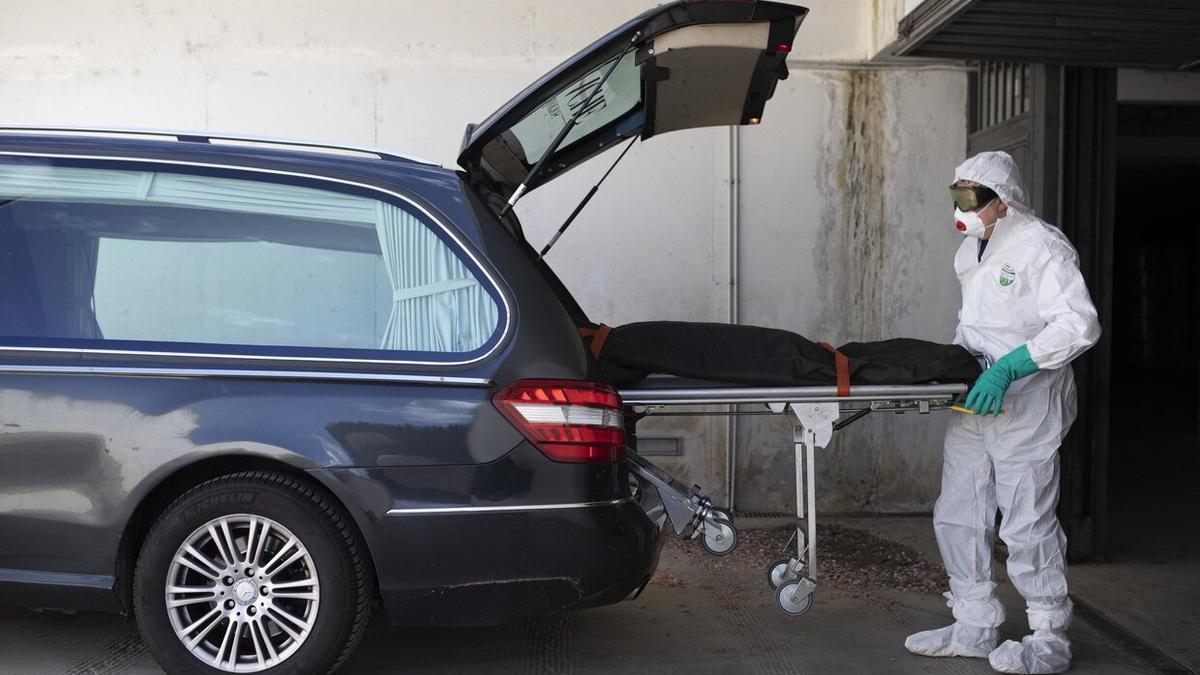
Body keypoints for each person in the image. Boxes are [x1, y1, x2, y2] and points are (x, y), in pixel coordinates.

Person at [904, 151, 1101, 674]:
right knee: (958, 512)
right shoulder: (970, 251)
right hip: (977, 398)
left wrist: (1010, 368)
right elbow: (973, 326)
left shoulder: (1042, 246)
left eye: (970, 197)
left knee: (1026, 521)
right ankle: (973, 624)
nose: (960, 207)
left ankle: (1049, 636)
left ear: (1002, 200)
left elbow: (1078, 325)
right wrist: (954, 371)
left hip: (1029, 402)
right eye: (956, 195)